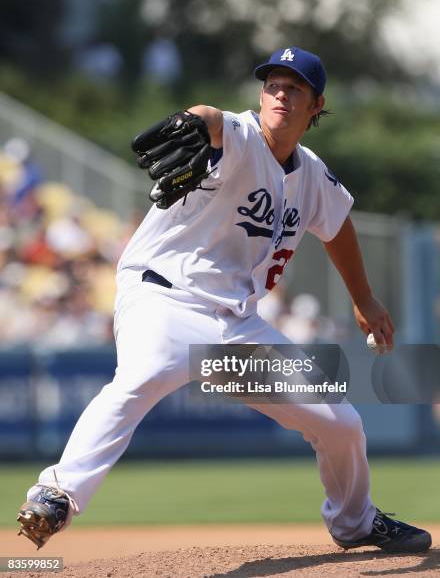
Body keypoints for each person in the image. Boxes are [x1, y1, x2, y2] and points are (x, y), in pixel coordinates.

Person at [17, 46, 431, 553]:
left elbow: (339, 224)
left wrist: (364, 298)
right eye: (273, 84)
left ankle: (355, 521)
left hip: (235, 330)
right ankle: (55, 493)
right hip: (164, 299)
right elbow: (210, 119)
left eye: (294, 87)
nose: (280, 93)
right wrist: (190, 121)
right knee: (140, 378)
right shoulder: (239, 135)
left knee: (340, 422)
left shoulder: (313, 176)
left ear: (316, 105)